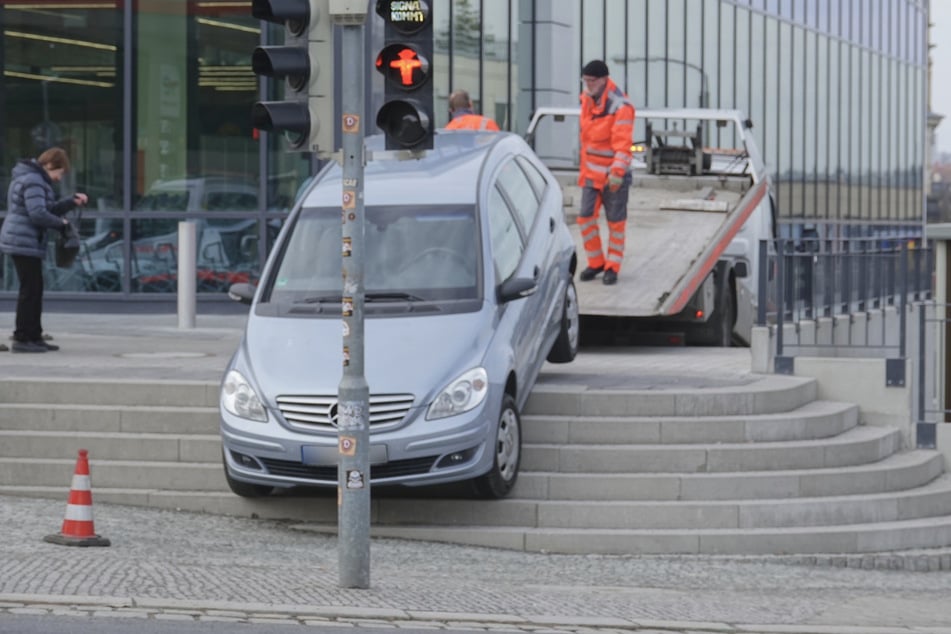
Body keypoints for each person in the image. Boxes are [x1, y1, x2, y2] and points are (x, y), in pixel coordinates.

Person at [0, 147, 87, 353]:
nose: (59, 178)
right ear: (50, 165)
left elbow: (46, 209)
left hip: (27, 240)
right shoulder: (33, 180)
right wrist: (62, 224)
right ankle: (23, 338)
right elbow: (38, 214)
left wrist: (70, 202)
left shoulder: (35, 180)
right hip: (22, 241)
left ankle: (34, 336)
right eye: (60, 172)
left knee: (35, 289)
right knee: (30, 290)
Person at [576, 60, 635, 285]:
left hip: (614, 175)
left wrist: (617, 172)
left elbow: (622, 144)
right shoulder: (587, 100)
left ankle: (612, 266)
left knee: (616, 223)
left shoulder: (621, 106)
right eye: (585, 80)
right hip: (592, 174)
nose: (588, 85)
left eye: (591, 81)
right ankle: (596, 262)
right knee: (585, 218)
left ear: (603, 79)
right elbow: (587, 141)